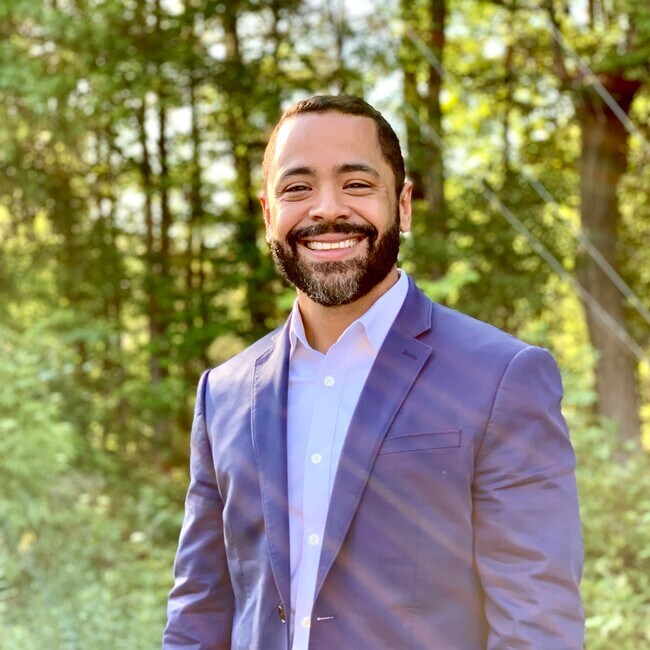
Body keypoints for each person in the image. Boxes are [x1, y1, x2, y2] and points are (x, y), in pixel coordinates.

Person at [163, 94, 584, 649]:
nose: (326, 209)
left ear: (403, 206)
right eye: (297, 188)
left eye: (356, 184)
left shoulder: (502, 377)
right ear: (268, 214)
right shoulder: (224, 394)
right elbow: (197, 615)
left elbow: (538, 625)